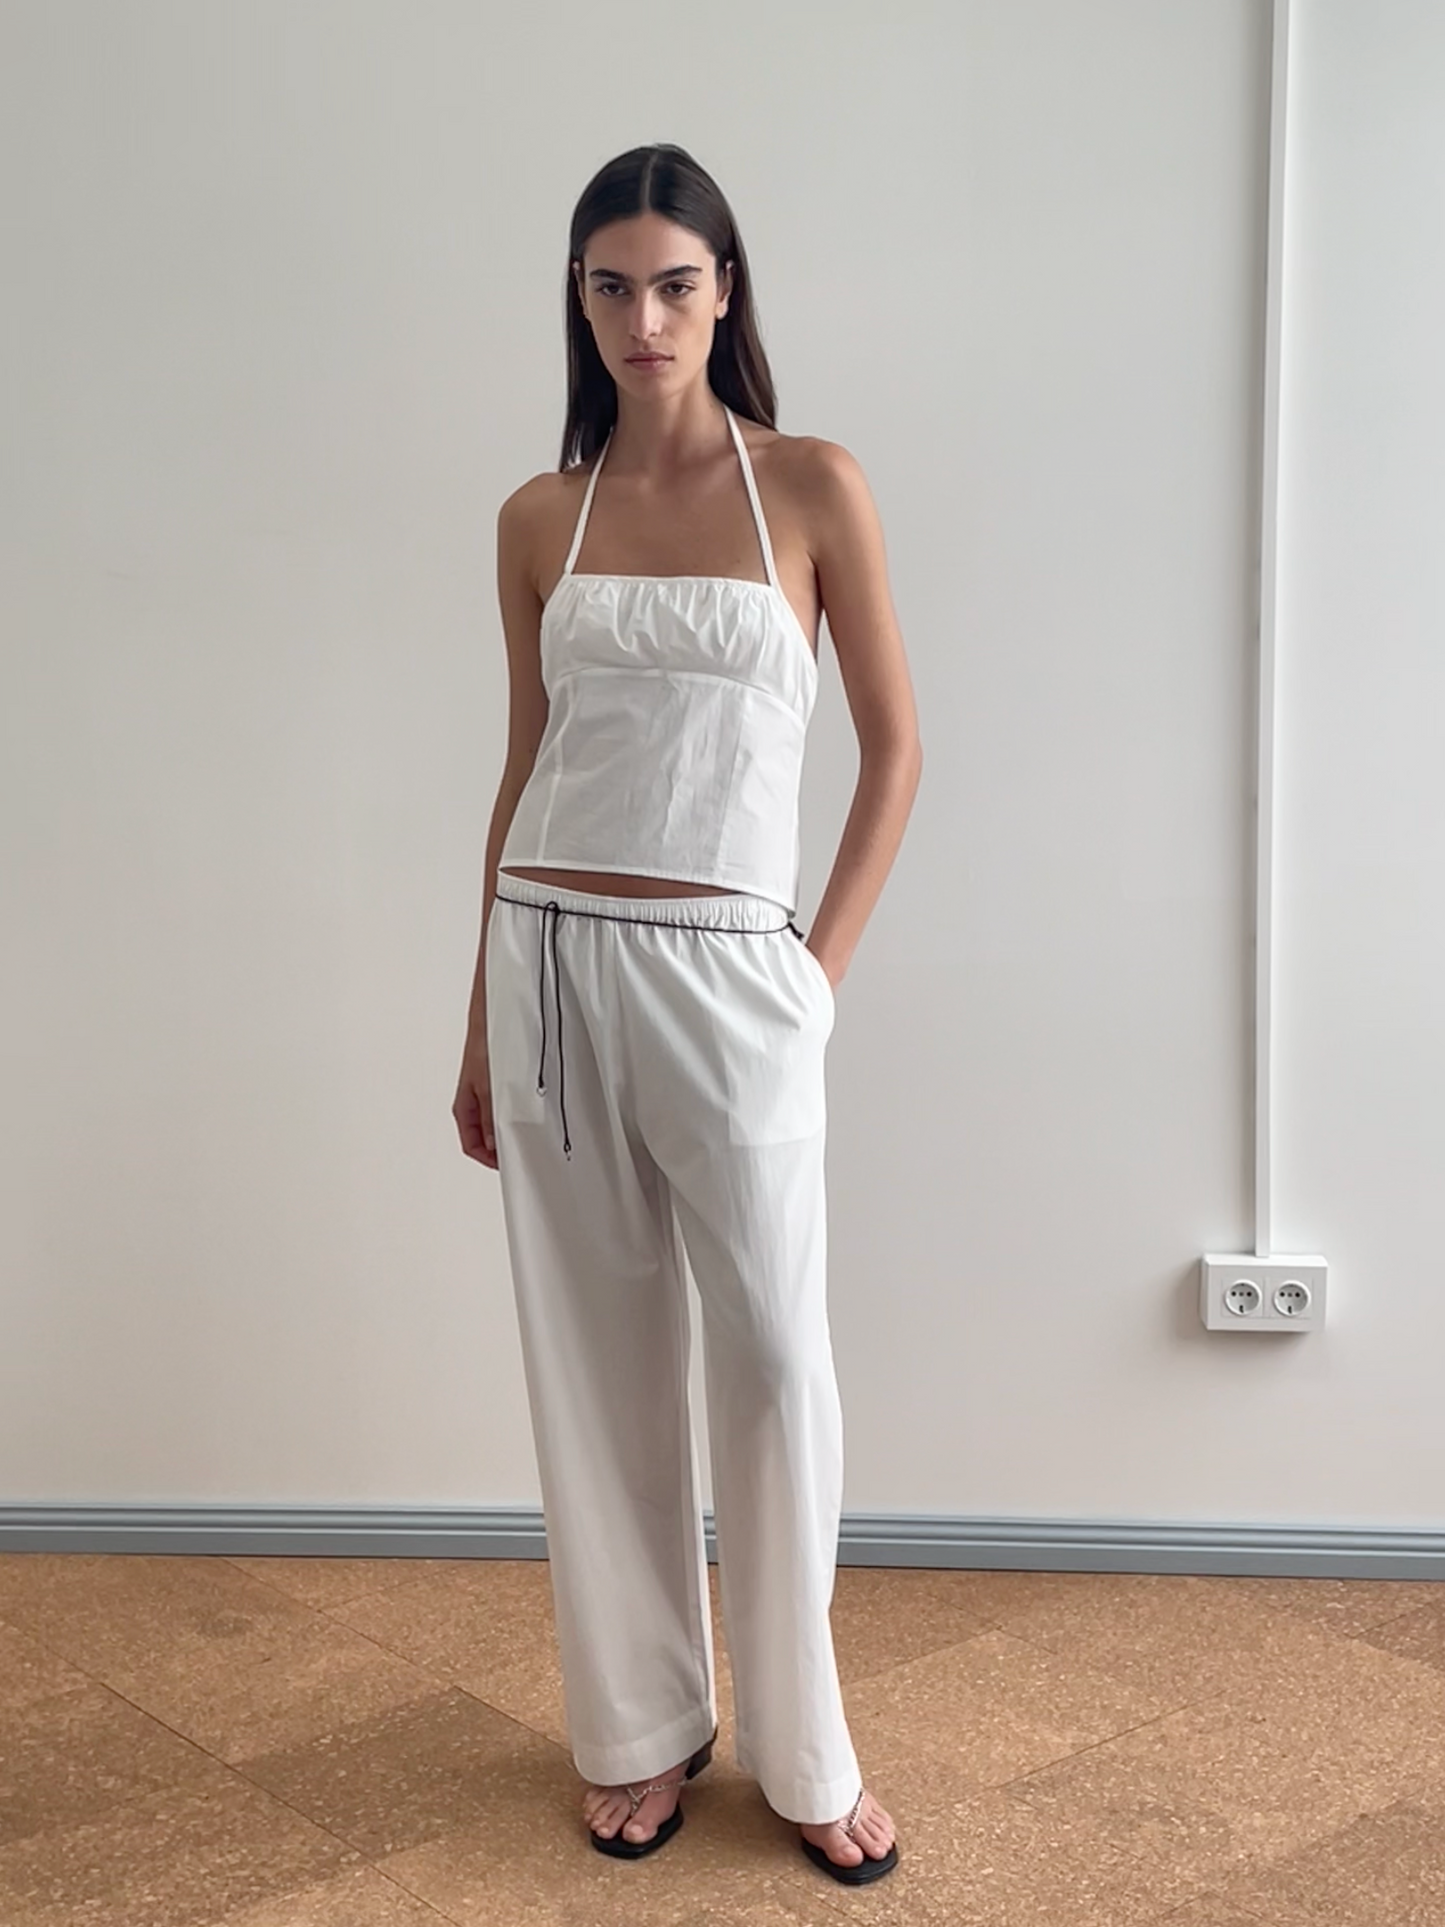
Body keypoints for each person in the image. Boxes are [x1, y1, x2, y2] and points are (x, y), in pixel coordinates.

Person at [452, 142, 922, 1889]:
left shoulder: (810, 485)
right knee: (599, 1362)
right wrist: (473, 1015)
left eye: (672, 282)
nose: (641, 316)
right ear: (577, 305)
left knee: (781, 1362)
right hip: (548, 963)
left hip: (738, 974)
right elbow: (523, 767)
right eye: (607, 286)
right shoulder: (532, 517)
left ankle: (807, 1747)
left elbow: (898, 747)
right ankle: (641, 1728)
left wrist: (814, 978)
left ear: (725, 292)